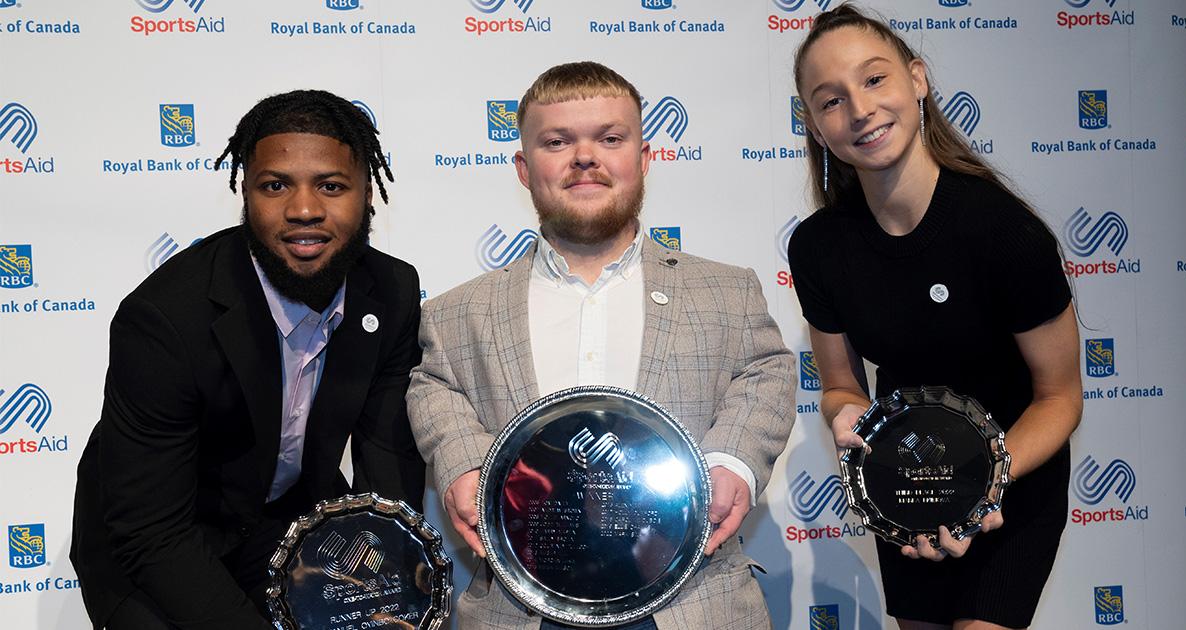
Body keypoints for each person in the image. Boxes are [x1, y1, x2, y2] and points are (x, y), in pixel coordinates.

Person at [406, 61, 797, 630]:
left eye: (610, 139)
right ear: (523, 167)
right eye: (557, 141)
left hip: (693, 601)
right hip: (519, 605)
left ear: (643, 159)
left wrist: (730, 459)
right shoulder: (455, 313)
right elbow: (435, 387)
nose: (584, 157)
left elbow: (766, 371)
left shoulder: (727, 290)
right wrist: (469, 465)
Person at [69, 90, 425, 630]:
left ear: (367, 193)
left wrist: (391, 584)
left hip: (284, 522)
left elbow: (386, 459)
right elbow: (150, 530)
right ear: (245, 192)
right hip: (158, 543)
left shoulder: (392, 290)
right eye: (275, 185)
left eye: (331, 186)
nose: (304, 209)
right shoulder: (165, 318)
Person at [786, 5, 1083, 630]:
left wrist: (986, 479)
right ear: (814, 126)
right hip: (910, 480)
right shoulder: (817, 247)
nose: (859, 109)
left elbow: (1059, 398)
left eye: (874, 80)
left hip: (1013, 480)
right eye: (830, 100)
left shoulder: (1005, 232)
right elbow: (842, 384)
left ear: (916, 80)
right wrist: (845, 416)